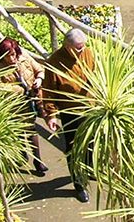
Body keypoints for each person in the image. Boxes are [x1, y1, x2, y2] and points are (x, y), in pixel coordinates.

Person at [41, 29, 95, 203]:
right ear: (67, 46)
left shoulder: (88, 53)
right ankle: (79, 184)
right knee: (73, 148)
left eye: (83, 46)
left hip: (90, 107)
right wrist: (51, 114)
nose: (82, 50)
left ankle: (89, 169)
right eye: (78, 48)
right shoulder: (54, 62)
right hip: (70, 112)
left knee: (91, 142)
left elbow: (97, 73)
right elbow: (48, 90)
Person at [0, 38, 49, 175]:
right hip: (14, 105)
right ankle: (22, 153)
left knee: (31, 129)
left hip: (30, 100)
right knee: (18, 130)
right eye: (7, 56)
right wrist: (18, 90)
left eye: (13, 54)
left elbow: (40, 69)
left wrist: (39, 79)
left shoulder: (25, 58)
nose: (11, 59)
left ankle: (37, 160)